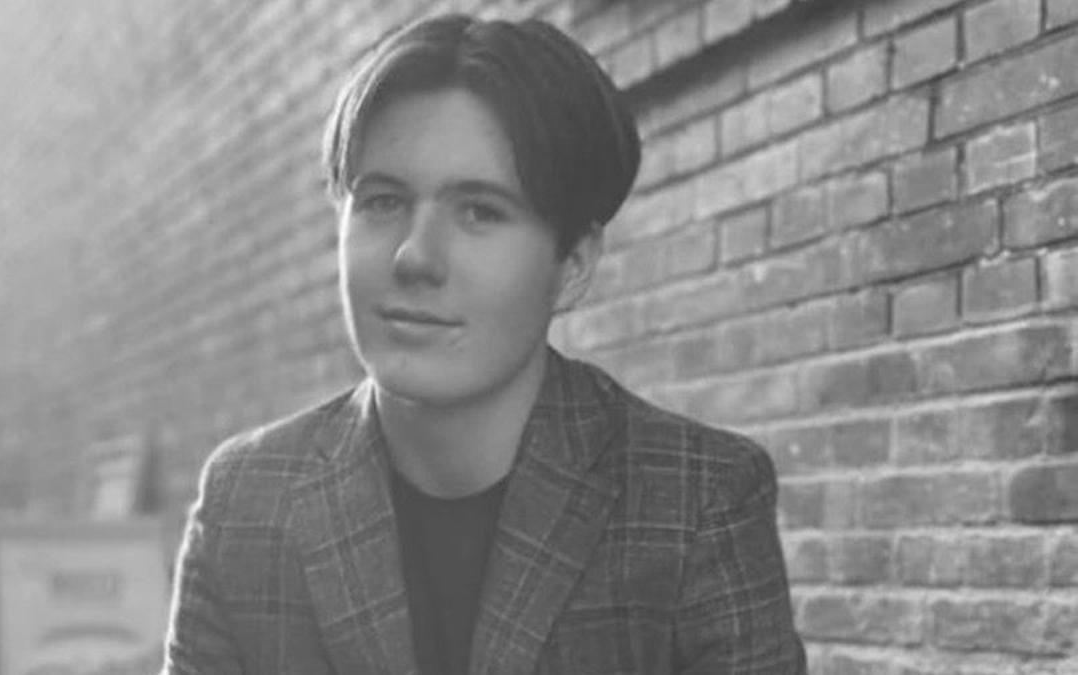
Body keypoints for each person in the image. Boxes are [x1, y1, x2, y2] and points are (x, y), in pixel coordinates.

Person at [162, 13, 806, 675]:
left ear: (574, 264)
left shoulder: (696, 501)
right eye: (383, 201)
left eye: (479, 211)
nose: (415, 256)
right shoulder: (246, 499)